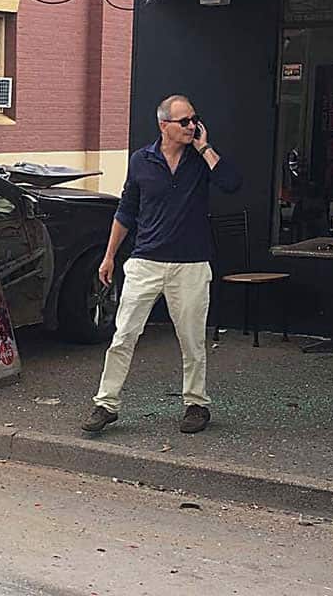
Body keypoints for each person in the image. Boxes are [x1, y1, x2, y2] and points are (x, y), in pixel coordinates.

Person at [82, 95, 242, 435]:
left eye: (194, 120)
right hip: (145, 260)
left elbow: (231, 183)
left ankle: (196, 404)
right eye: (184, 121)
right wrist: (110, 255)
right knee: (123, 334)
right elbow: (126, 210)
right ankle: (106, 404)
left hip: (191, 263)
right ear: (163, 125)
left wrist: (205, 147)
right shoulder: (141, 160)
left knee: (192, 339)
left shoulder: (201, 160)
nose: (191, 126)